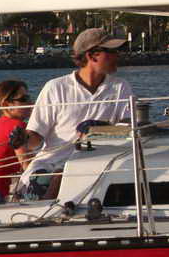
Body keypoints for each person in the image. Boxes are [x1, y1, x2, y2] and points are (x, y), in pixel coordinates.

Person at [16, 28, 133, 199]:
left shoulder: (120, 87)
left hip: (97, 163)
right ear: (92, 55)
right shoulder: (55, 88)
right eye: (112, 51)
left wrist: (102, 128)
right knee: (46, 183)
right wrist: (22, 139)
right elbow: (35, 140)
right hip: (51, 164)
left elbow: (129, 130)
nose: (118, 56)